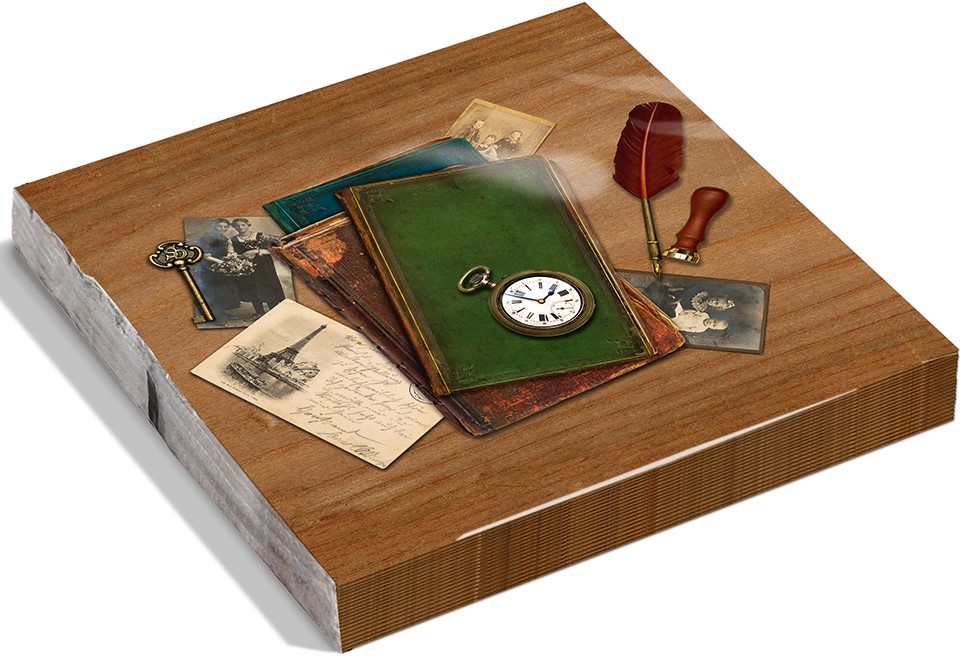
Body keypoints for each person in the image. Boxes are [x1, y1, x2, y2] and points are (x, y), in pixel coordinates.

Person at [230, 218, 286, 316]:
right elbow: (231, 253)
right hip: (247, 266)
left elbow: (275, 249)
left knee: (268, 285)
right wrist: (241, 256)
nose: (240, 227)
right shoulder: (233, 240)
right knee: (252, 287)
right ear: (234, 227)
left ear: (248, 225)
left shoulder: (260, 236)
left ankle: (274, 311)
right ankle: (259, 312)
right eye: (237, 226)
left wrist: (257, 251)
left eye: (243, 225)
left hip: (264, 265)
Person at [194, 218, 240, 319]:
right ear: (213, 226)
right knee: (215, 291)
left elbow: (225, 252)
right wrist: (222, 263)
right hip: (209, 267)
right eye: (219, 226)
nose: (222, 229)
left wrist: (230, 258)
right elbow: (204, 255)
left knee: (223, 291)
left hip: (221, 267)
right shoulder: (206, 238)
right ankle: (219, 317)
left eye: (225, 227)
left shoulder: (224, 238)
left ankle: (222, 313)